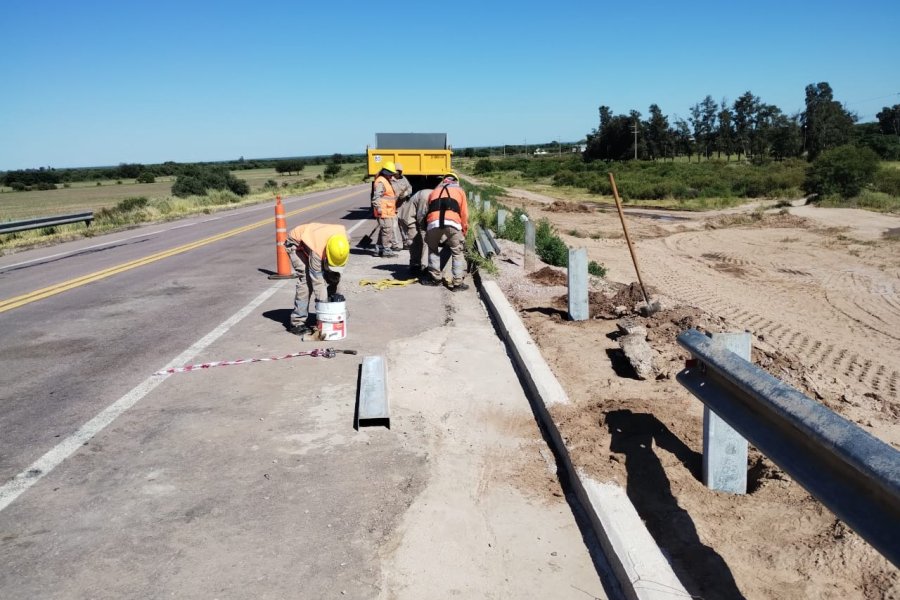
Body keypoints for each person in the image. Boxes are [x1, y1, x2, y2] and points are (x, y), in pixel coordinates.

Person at [285, 222, 349, 336]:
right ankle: (297, 322)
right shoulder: (317, 253)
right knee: (307, 281)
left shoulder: (344, 242)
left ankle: (331, 306)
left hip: (317, 241)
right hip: (297, 243)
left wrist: (338, 306)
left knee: (334, 275)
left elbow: (337, 269)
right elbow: (318, 283)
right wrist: (324, 308)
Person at [421, 173, 469, 291]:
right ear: (456, 181)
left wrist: (426, 229)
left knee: (433, 250)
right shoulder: (460, 191)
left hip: (433, 223)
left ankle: (435, 278)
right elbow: (464, 213)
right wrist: (464, 230)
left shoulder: (434, 191)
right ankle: (457, 283)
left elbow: (426, 211)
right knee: (457, 252)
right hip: (453, 223)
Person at [402, 187, 433, 276]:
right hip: (409, 218)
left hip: (417, 216)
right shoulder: (426, 197)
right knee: (415, 241)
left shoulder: (436, 196)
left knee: (424, 240)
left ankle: (422, 265)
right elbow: (421, 215)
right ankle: (416, 266)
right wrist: (424, 230)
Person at [371, 161, 399, 257]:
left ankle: (378, 249)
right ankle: (386, 250)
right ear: (386, 172)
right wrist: (378, 208)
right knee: (387, 230)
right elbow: (376, 197)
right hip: (383, 210)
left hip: (388, 210)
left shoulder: (385, 180)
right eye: (390, 174)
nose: (392, 176)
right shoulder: (381, 181)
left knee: (384, 230)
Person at [392, 162, 412, 250]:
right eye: (395, 171)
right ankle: (395, 244)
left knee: (403, 224)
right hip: (392, 206)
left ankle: (406, 242)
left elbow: (409, 188)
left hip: (402, 206)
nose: (397, 173)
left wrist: (406, 193)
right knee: (393, 226)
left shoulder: (404, 179)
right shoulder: (389, 179)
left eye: (398, 171)